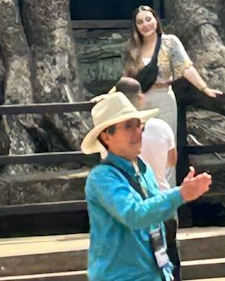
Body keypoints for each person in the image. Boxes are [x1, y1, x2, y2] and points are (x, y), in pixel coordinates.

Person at [82, 89, 211, 281]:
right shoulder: (101, 178)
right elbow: (134, 214)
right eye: (128, 126)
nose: (137, 132)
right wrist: (180, 194)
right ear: (106, 137)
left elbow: (153, 216)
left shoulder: (144, 171)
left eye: (139, 126)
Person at [115, 77, 180, 281]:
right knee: (170, 258)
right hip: (163, 200)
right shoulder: (162, 127)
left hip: (132, 206)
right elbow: (171, 161)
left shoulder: (115, 136)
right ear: (141, 100)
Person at [122, 5, 221, 133]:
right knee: (142, 144)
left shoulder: (169, 42)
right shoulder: (132, 47)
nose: (145, 25)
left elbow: (186, 67)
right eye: (140, 22)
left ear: (156, 20)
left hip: (163, 99)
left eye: (148, 19)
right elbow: (126, 77)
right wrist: (108, 96)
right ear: (136, 26)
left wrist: (204, 88)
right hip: (139, 101)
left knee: (165, 140)